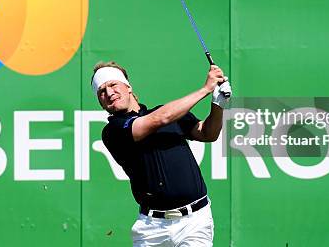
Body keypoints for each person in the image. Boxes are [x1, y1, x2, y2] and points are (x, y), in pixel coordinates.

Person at [91, 61, 232, 247]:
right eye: (101, 91)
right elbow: (159, 119)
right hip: (151, 229)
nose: (109, 93)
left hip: (195, 221)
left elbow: (208, 133)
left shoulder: (168, 113)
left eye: (113, 85)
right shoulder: (113, 131)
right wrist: (206, 89)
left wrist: (217, 104)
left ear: (128, 86)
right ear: (100, 102)